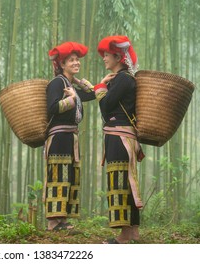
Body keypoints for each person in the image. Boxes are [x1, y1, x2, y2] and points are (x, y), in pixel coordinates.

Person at [94, 35, 144, 243]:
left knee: (120, 183)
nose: (104, 58)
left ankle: (124, 235)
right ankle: (132, 231)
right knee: (127, 181)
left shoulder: (123, 79)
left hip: (119, 137)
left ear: (118, 56)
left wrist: (100, 87)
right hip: (121, 136)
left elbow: (105, 108)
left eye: (107, 55)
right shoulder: (122, 79)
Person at [44, 41, 96, 231]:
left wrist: (78, 83)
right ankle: (52, 222)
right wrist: (71, 99)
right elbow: (52, 108)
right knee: (58, 175)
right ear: (62, 65)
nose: (76, 63)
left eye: (77, 60)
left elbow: (92, 94)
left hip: (70, 137)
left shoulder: (68, 83)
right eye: (71, 60)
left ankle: (62, 219)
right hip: (58, 137)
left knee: (69, 176)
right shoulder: (57, 83)